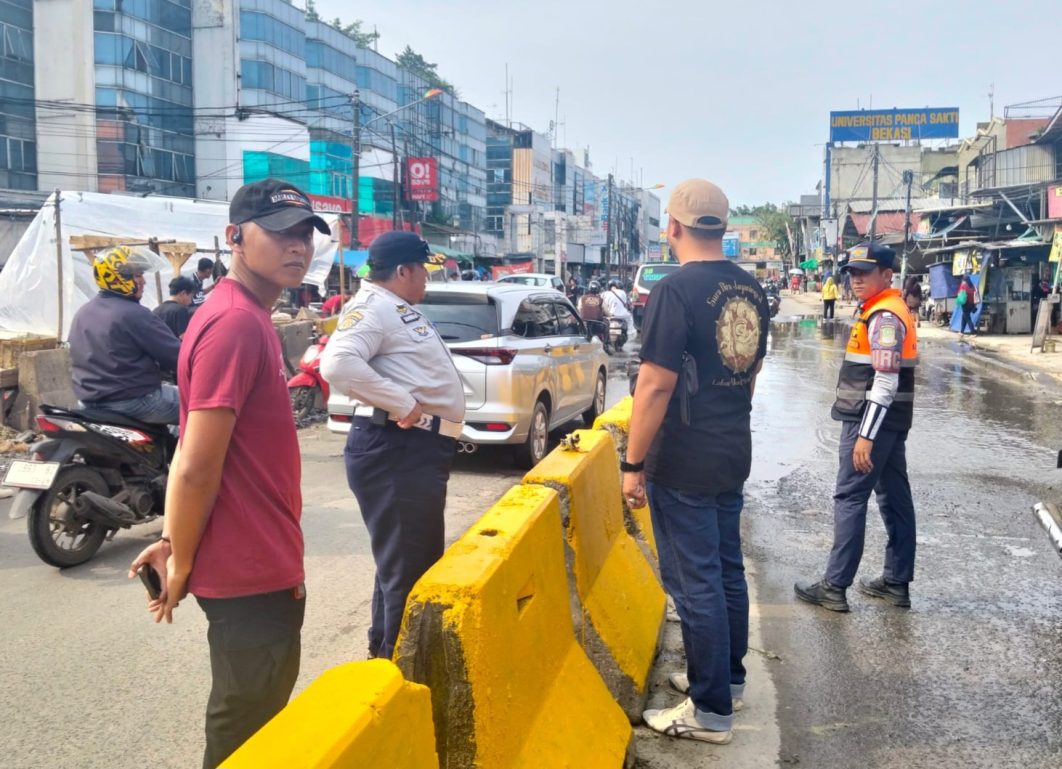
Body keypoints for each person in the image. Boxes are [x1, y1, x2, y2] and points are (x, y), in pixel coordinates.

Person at [127, 178, 331, 768]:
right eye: (279, 232)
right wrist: (183, 558)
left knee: (249, 716)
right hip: (251, 571)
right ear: (235, 238)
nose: (296, 246)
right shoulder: (238, 324)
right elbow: (195, 465)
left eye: (304, 234)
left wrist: (171, 540)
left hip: (253, 560)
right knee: (247, 730)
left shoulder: (238, 315)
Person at [623, 179, 769, 745]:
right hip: (732, 448)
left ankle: (710, 713)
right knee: (727, 570)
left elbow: (655, 384)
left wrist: (633, 465)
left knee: (696, 585)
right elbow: (753, 372)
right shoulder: (752, 288)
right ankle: (725, 680)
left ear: (674, 228)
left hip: (683, 459)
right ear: (724, 228)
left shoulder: (674, 290)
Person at [320, 231, 465, 660]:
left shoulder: (395, 308)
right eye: (423, 270)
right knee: (408, 571)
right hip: (397, 446)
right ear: (403, 270)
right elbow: (338, 364)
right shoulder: (372, 308)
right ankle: (399, 672)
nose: (426, 279)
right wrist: (404, 403)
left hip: (412, 448)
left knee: (402, 564)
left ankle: (384, 657)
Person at [795, 241, 918, 613]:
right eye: (852, 272)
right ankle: (896, 582)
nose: (856, 279)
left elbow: (885, 381)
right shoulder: (880, 309)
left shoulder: (884, 316)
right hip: (889, 422)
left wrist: (865, 435)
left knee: (849, 498)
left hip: (872, 420)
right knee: (894, 497)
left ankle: (834, 586)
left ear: (886, 274)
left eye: (865, 272)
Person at [69, 246, 182, 424]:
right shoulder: (135, 314)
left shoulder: (82, 312)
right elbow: (177, 357)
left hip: (88, 403)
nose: (143, 281)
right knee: (206, 410)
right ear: (118, 278)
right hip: (134, 402)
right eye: (137, 275)